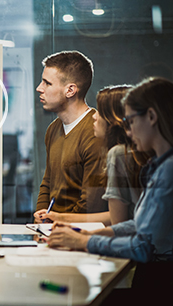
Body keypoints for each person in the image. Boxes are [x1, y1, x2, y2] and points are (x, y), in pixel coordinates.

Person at [48, 77, 173, 302]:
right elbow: (140, 224)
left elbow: (143, 246)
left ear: (152, 117)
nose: (129, 129)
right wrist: (92, 234)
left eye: (131, 120)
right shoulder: (160, 165)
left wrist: (83, 242)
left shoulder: (168, 170)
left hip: (162, 277)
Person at [35, 85, 147, 225]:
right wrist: (58, 218)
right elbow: (115, 217)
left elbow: (118, 224)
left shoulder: (118, 155)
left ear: (114, 120)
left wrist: (74, 235)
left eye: (100, 111)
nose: (94, 116)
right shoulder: (127, 154)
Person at [34, 50, 107, 222]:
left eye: (47, 83)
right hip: (52, 228)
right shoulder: (53, 129)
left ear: (70, 90)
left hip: (79, 232)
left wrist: (56, 222)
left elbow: (91, 204)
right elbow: (47, 182)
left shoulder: (95, 132)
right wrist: (41, 215)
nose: (39, 88)